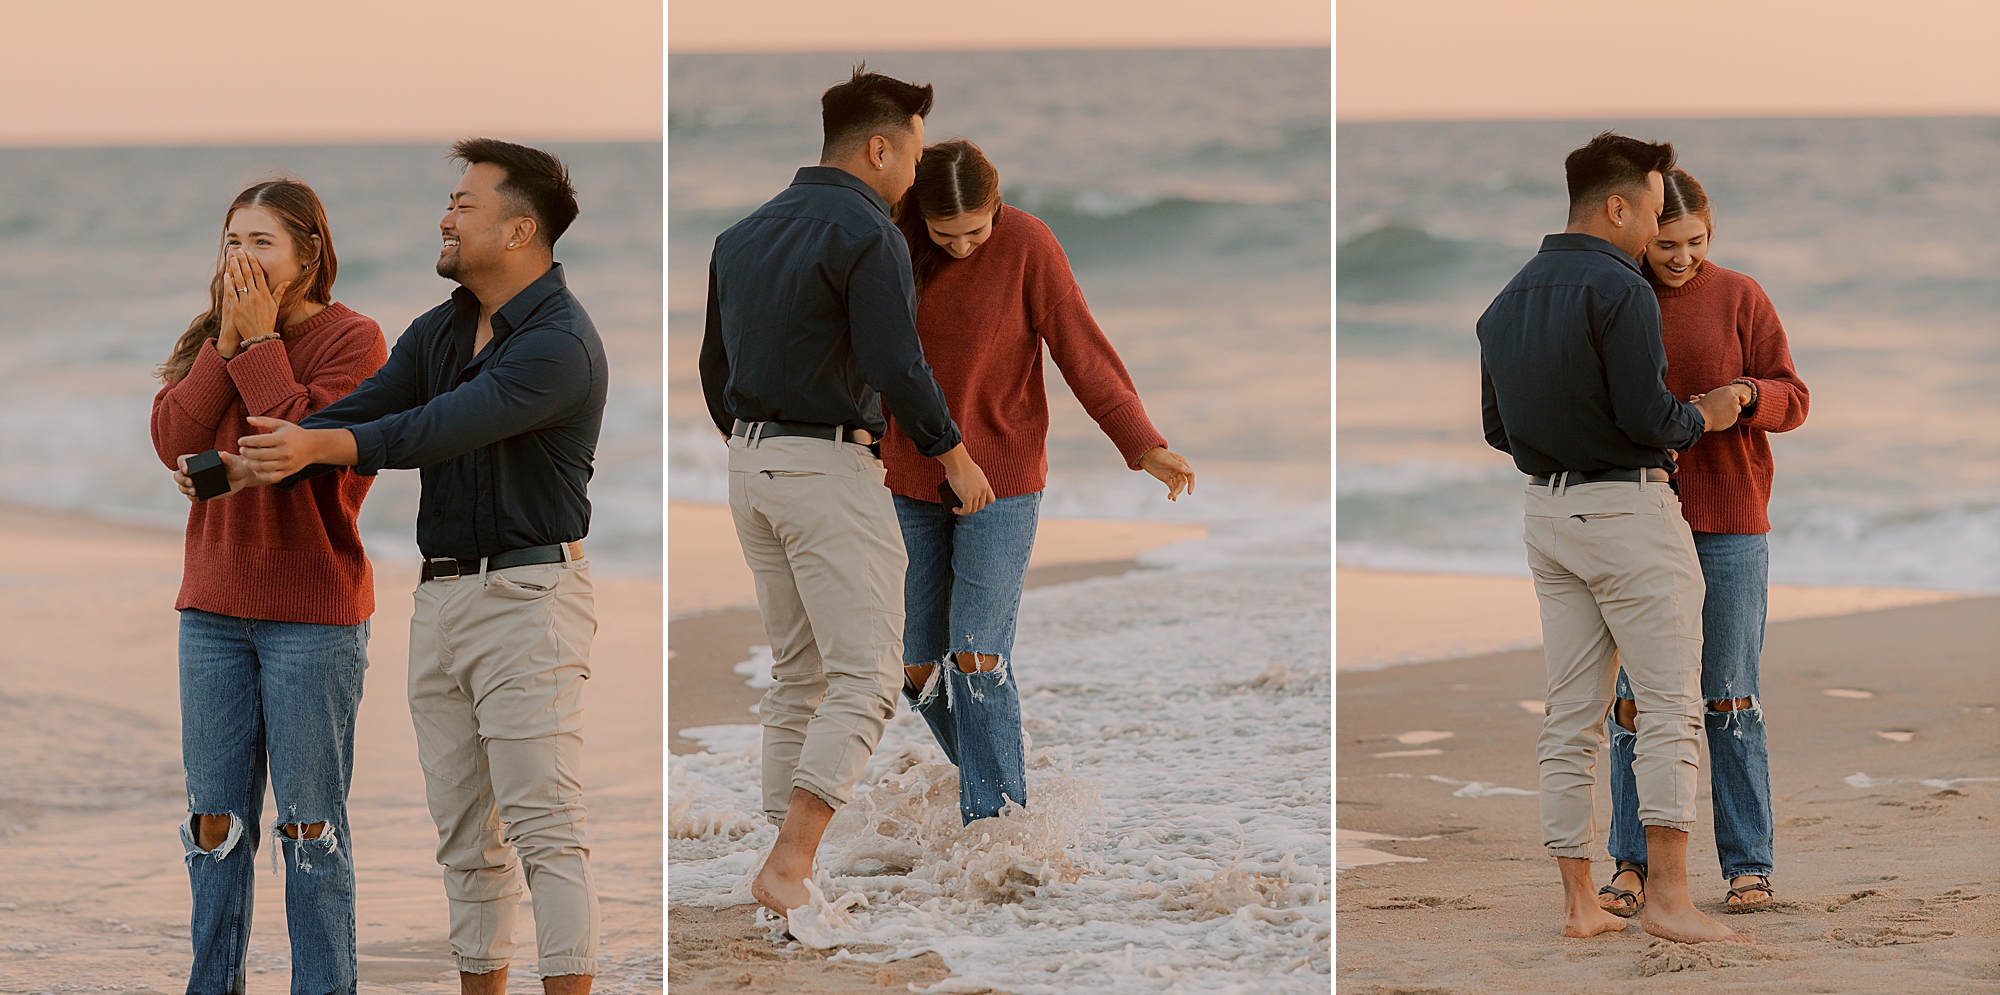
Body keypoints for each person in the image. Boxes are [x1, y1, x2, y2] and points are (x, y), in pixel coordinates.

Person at [181, 140, 607, 994]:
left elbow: (430, 429)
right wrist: (237, 458)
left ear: (520, 229)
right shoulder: (440, 329)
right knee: (463, 834)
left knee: (544, 825)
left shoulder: (558, 344)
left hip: (531, 595)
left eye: (464, 204)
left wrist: (314, 437)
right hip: (443, 595)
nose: (445, 218)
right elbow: (354, 411)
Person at [698, 66, 996, 915]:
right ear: (879, 146)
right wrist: (951, 452)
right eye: (911, 151)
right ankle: (790, 866)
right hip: (824, 468)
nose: (915, 171)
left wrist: (761, 445)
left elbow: (712, 371)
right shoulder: (870, 232)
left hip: (749, 468)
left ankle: (783, 870)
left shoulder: (742, 234)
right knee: (865, 677)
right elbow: (896, 361)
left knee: (798, 672)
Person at [1476, 131, 1749, 943]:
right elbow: (1648, 415)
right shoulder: (1619, 288)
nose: (1658, 230)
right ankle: (1668, 898)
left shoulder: (1507, 297)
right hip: (1627, 517)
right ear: (1618, 205)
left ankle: (1578, 906)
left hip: (1546, 516)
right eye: (1654, 213)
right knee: (1669, 708)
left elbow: (1499, 429)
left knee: (1571, 715)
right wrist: (1708, 412)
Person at [883, 138, 1195, 823]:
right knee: (918, 666)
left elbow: (1080, 347)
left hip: (1005, 476)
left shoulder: (1028, 243)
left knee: (975, 651)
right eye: (946, 233)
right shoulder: (895, 247)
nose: (963, 246)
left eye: (975, 230)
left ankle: (997, 825)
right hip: (908, 474)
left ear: (998, 208)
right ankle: (999, 791)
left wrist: (1143, 443)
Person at [151, 178, 386, 995]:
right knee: (213, 824)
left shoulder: (355, 340)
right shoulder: (214, 335)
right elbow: (172, 438)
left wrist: (256, 345)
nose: (240, 258)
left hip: (312, 619)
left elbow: (301, 446)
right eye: (232, 241)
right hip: (211, 612)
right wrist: (226, 344)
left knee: (309, 828)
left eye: (261, 243)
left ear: (308, 253)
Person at [1595, 167, 1809, 918]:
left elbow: (1794, 396)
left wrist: (1745, 396)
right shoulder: (1621, 298)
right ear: (1640, 234)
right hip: (1644, 520)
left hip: (1734, 523)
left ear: (1709, 235)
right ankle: (1629, 864)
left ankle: (1749, 865)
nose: (1680, 257)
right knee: (1637, 699)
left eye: (1694, 243)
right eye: (1665, 243)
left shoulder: (1740, 295)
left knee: (1731, 696)